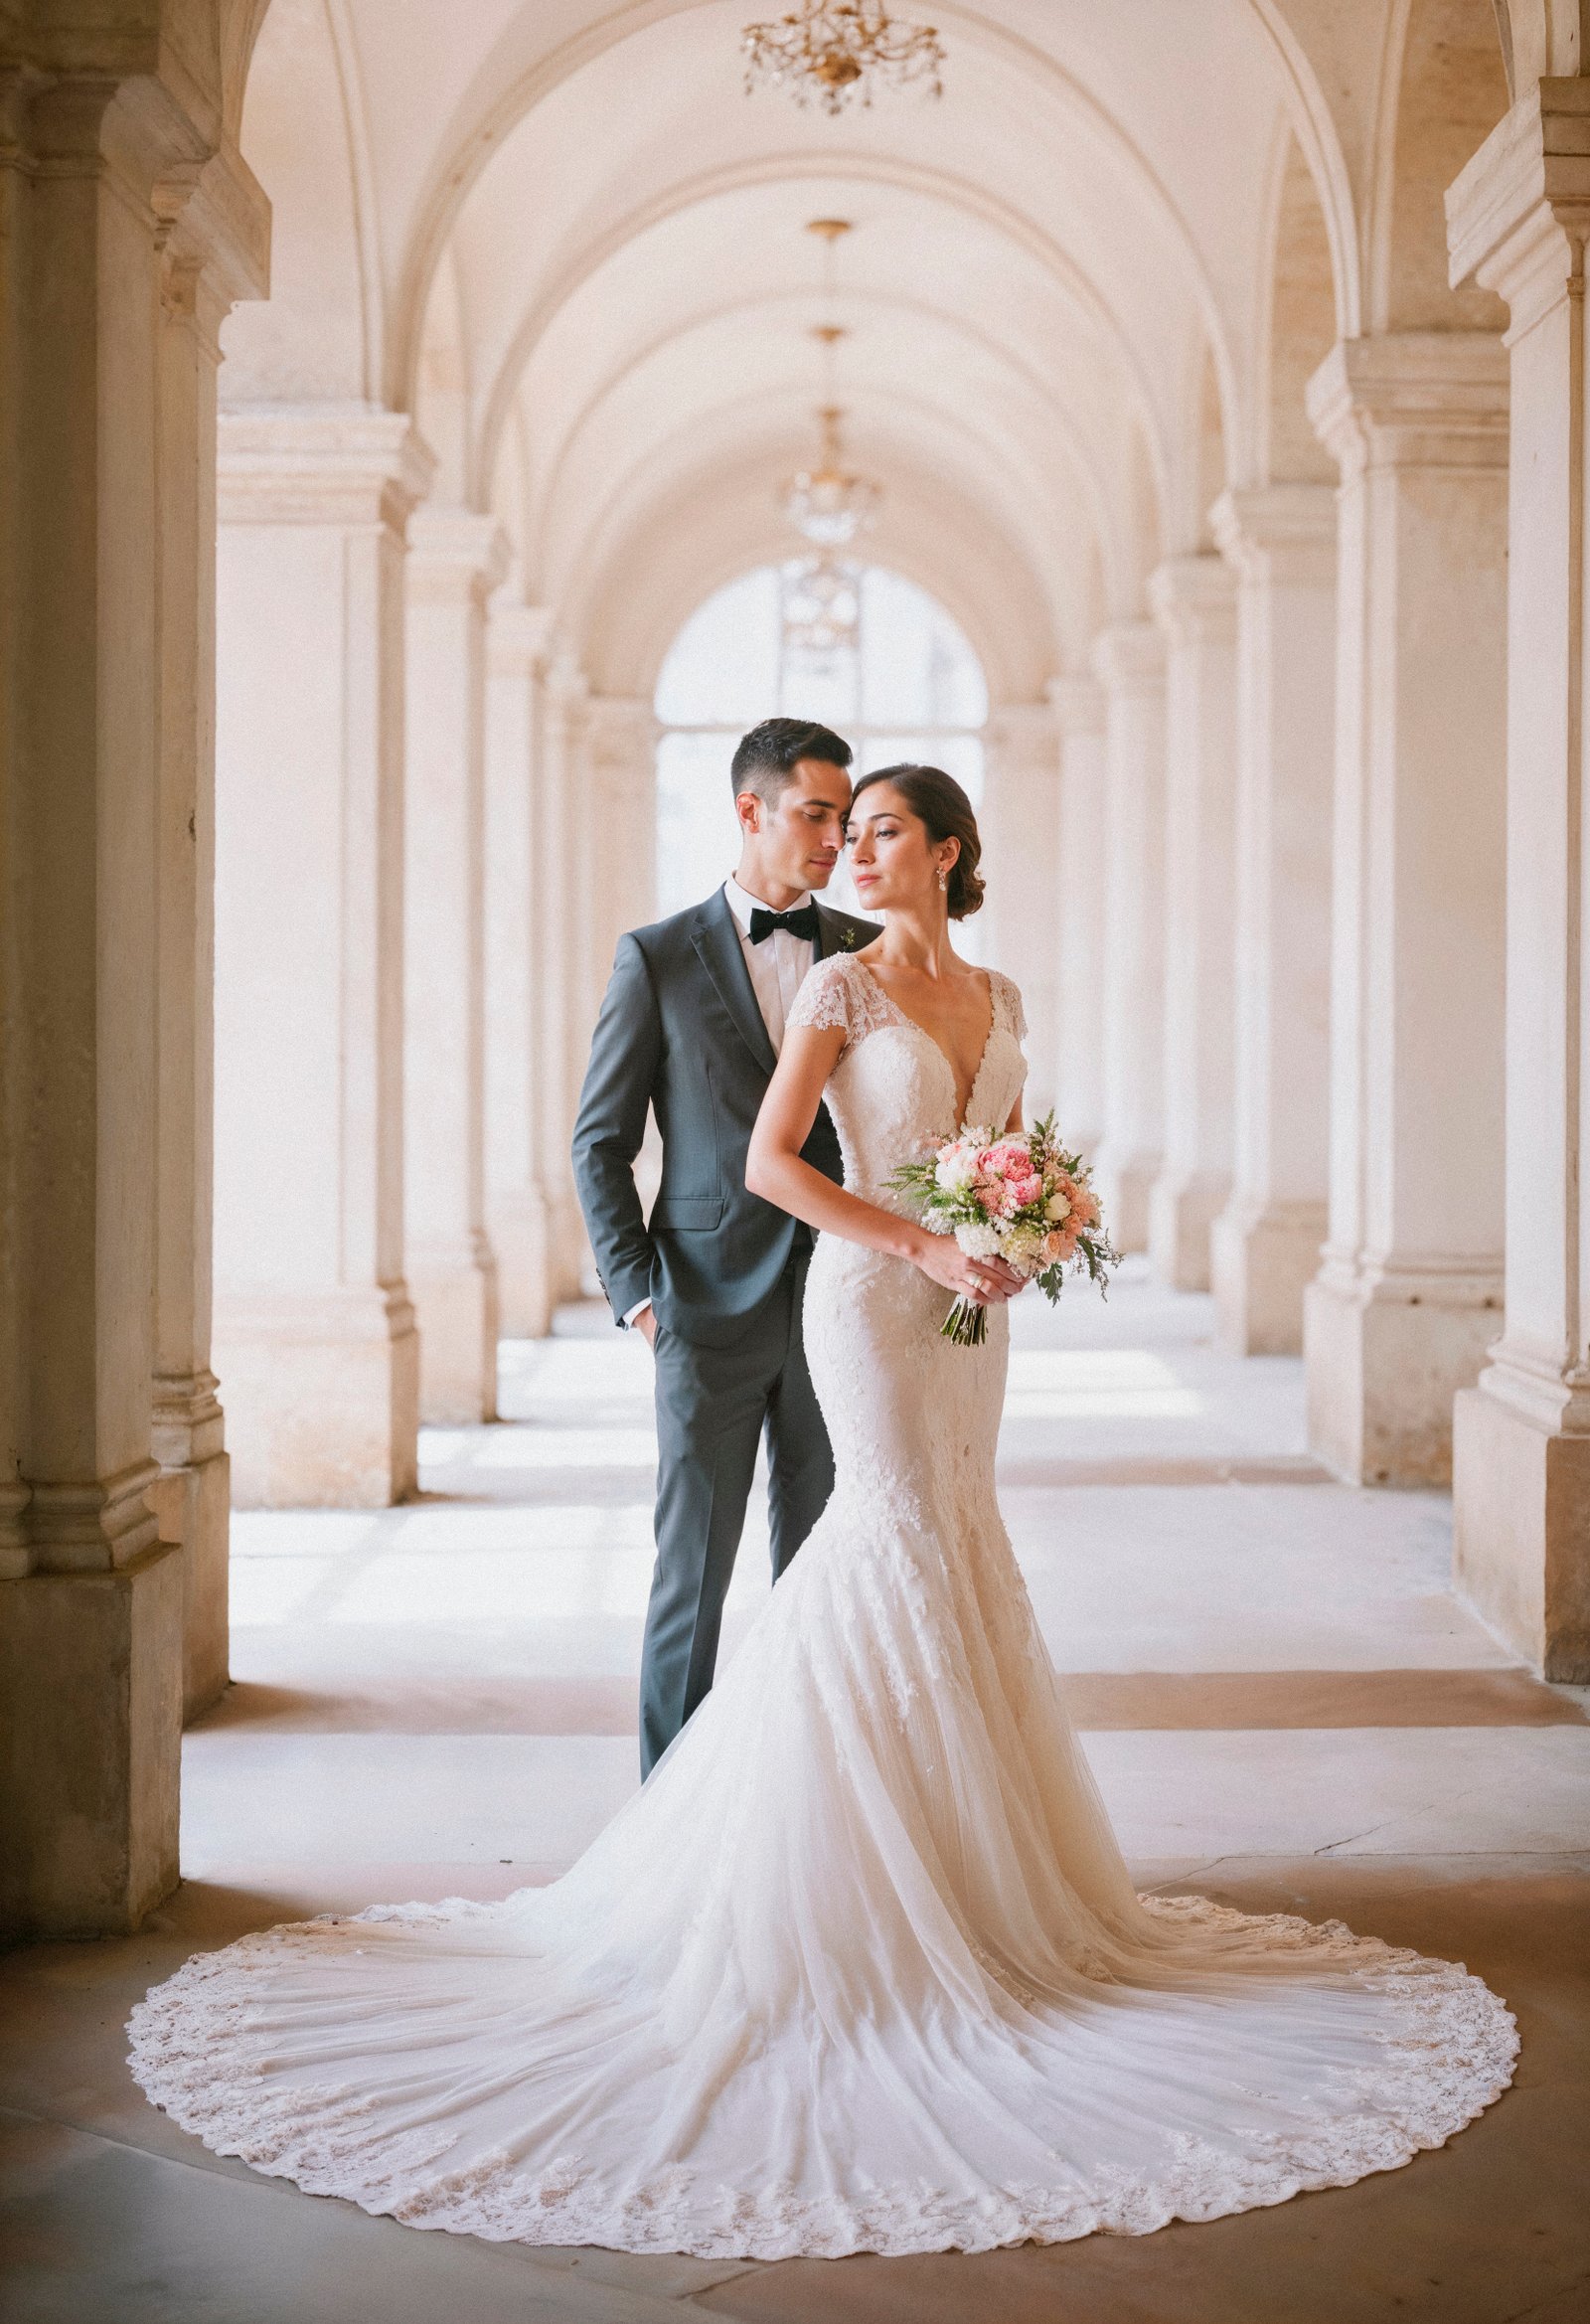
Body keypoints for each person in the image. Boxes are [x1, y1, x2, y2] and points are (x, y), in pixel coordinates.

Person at [129, 764, 1515, 2260]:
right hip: (871, 1296)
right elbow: (767, 1162)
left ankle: (984, 1884)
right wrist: (924, 1237)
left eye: (881, 831)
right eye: (841, 830)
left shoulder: (1003, 991)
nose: (853, 850)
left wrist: (1027, 1230)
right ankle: (808, 1882)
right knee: (883, 1537)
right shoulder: (839, 993)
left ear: (948, 851)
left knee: (963, 1542)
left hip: (974, 1311)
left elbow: (1023, 1157)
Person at [571, 716, 877, 1774]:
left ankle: (803, 1806)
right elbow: (600, 1141)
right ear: (750, 811)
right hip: (700, 1307)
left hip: (842, 1304)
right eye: (815, 814)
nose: (835, 837)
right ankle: (665, 1814)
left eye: (843, 816)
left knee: (823, 1568)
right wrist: (640, 1294)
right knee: (689, 1575)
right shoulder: (655, 957)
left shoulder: (865, 955)